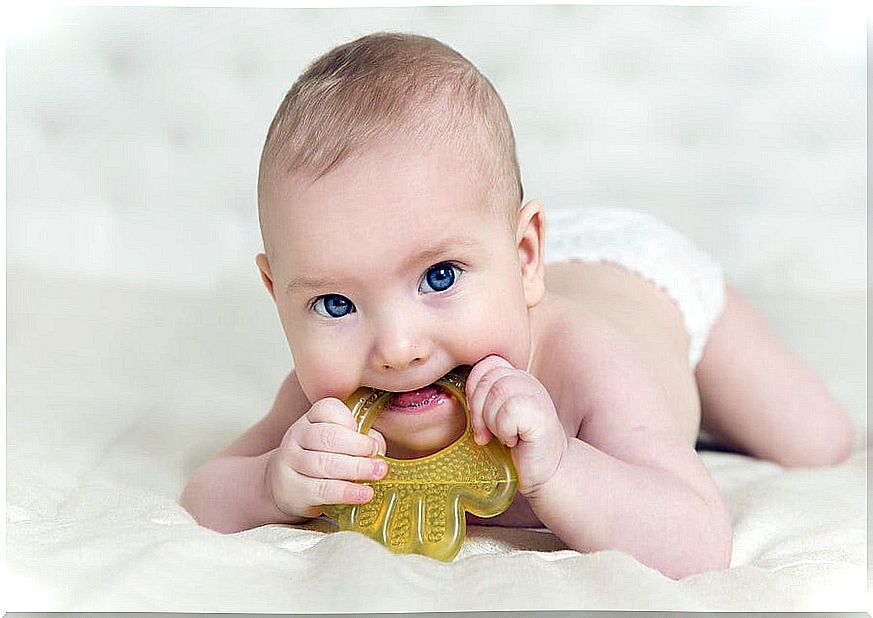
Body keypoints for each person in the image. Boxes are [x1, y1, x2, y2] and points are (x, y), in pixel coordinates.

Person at [180, 32, 853, 579]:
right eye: (333, 303)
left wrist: (561, 466)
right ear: (278, 297)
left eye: (439, 277)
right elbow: (203, 494)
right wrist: (269, 485)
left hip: (643, 279)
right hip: (524, 260)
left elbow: (698, 541)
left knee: (815, 440)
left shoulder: (588, 365)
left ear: (523, 257)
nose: (397, 347)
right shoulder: (320, 404)